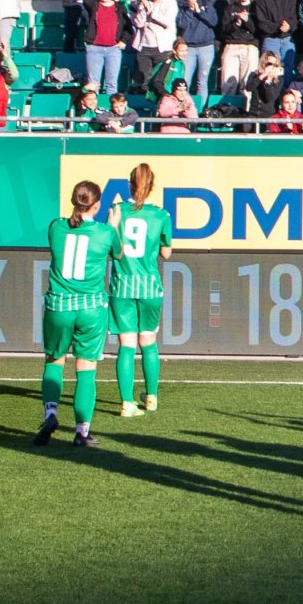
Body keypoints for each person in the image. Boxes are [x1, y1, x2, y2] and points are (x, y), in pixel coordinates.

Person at [34, 178, 115, 448]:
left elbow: (69, 229)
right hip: (91, 308)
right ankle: (81, 432)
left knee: (54, 360)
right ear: (97, 204)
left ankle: (50, 414)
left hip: (59, 305)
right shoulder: (105, 233)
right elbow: (120, 255)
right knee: (86, 368)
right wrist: (114, 226)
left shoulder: (56, 227)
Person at [107, 163, 172, 418]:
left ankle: (127, 402)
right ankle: (152, 397)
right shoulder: (160, 215)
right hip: (149, 286)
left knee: (126, 344)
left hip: (122, 285)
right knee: (148, 341)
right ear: (152, 185)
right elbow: (166, 253)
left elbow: (111, 247)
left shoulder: (116, 211)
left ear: (130, 185)